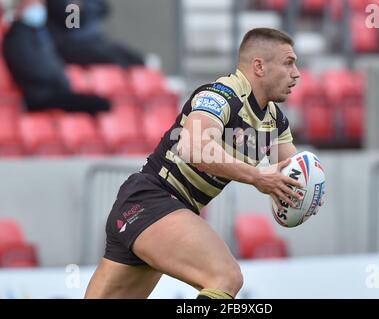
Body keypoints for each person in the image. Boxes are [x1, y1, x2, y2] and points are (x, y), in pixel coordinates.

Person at [85, 28, 310, 299]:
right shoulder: (219, 96)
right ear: (259, 66)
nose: (296, 73)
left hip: (164, 212)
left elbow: (293, 173)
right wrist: (258, 176)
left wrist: (301, 197)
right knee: (225, 277)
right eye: (289, 63)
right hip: (151, 200)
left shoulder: (275, 121)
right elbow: (193, 149)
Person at [2, 0, 110, 115]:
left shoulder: (37, 33)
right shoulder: (17, 36)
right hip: (41, 93)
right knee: (99, 103)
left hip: (56, 87)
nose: (40, 8)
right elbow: (74, 22)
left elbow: (103, 8)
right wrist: (79, 8)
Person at [46, 0, 144, 67]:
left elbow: (103, 7)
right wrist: (82, 9)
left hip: (95, 41)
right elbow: (74, 20)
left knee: (131, 57)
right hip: (72, 45)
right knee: (114, 58)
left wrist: (83, 7)